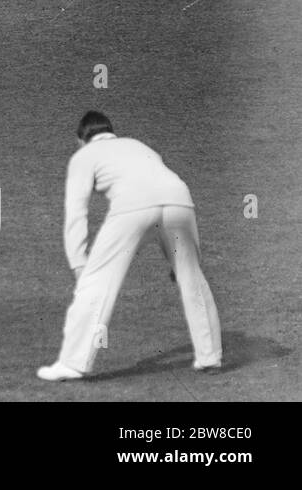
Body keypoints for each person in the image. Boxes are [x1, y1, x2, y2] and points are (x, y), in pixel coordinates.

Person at [37, 111, 223, 381]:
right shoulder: (138, 146)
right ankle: (211, 357)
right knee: (193, 280)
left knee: (96, 282)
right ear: (111, 132)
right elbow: (171, 189)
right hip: (179, 199)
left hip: (134, 207)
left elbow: (76, 212)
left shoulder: (83, 156)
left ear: (81, 139)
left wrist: (79, 262)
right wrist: (191, 257)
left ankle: (73, 363)